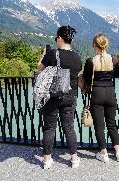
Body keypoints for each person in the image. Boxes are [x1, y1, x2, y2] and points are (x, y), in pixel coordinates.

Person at [37, 25, 82, 169]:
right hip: (70, 96)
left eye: (57, 38)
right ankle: (74, 158)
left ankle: (47, 159)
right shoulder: (77, 57)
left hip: (52, 96)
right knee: (69, 127)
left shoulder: (52, 54)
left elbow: (40, 67)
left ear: (60, 39)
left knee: (49, 127)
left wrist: (44, 54)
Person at [83, 33, 119, 163]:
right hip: (110, 93)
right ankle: (118, 152)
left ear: (94, 45)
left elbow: (86, 77)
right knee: (112, 124)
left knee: (99, 125)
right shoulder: (114, 59)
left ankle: (104, 154)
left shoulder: (91, 61)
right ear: (106, 44)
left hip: (96, 93)